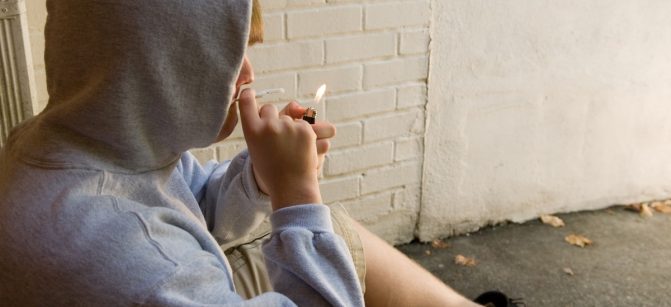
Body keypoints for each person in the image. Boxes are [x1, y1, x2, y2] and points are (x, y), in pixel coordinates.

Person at [0, 0, 481, 306]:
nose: (248, 73)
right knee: (320, 229)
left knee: (329, 228)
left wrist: (263, 178)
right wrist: (296, 193)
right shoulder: (148, 267)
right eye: (231, 53)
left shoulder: (76, 145)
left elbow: (194, 203)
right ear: (161, 66)